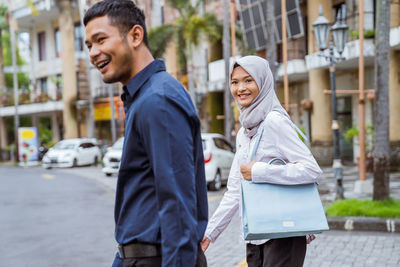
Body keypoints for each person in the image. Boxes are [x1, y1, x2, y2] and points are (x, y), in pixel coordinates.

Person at [84, 1, 208, 266]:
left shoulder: (157, 100)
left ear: (135, 35)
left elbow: (177, 208)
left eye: (100, 39)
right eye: (89, 46)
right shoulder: (144, 97)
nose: (94, 53)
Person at [200, 55, 322, 267]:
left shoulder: (274, 121)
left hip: (284, 231)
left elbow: (312, 170)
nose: (241, 88)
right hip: (256, 232)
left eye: (249, 80)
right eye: (235, 82)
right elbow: (235, 191)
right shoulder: (244, 132)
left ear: (263, 81)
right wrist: (210, 233)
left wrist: (260, 171)